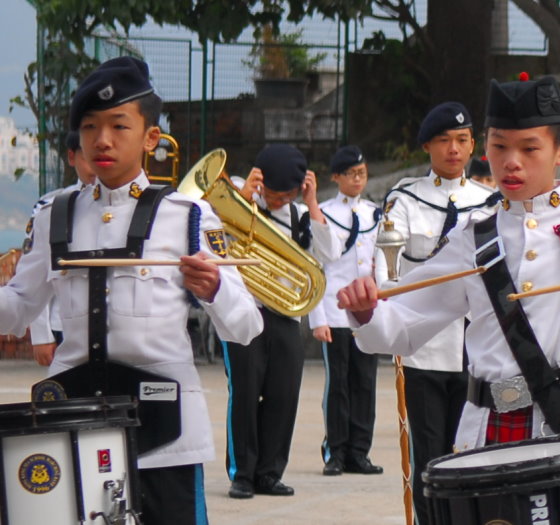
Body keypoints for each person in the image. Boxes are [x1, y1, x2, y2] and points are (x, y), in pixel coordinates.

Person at [339, 74, 560, 521]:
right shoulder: (473, 237)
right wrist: (368, 313)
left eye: (529, 148)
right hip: (487, 431)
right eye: (499, 147)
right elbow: (405, 325)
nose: (511, 163)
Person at [0, 56, 264, 523]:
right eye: (89, 127)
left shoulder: (188, 216)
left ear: (150, 138)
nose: (102, 140)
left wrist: (216, 287)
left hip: (166, 436)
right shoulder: (53, 216)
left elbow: (246, 326)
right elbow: (17, 309)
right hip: (71, 426)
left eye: (118, 126)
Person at [381, 101, 497, 522]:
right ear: (427, 145)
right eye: (445, 140)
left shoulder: (489, 200)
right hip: (425, 347)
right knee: (430, 457)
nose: (454, 149)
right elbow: (388, 269)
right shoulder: (406, 198)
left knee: (469, 452)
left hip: (475, 349)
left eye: (463, 141)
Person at [223, 143, 334, 499]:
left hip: (285, 316)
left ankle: (269, 473)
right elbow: (215, 237)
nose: (277, 202)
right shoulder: (239, 196)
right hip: (245, 312)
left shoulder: (301, 214)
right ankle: (242, 473)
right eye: (273, 194)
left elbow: (327, 255)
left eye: (285, 196)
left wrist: (312, 203)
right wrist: (244, 199)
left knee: (283, 396)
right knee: (244, 393)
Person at [310, 145, 387, 477]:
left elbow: (380, 259)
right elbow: (317, 267)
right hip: (335, 310)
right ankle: (336, 452)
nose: (358, 179)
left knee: (365, 382)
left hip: (366, 311)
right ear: (336, 177)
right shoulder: (324, 213)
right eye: (352, 174)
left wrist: (384, 304)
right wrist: (317, 319)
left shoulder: (374, 213)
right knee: (338, 384)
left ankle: (359, 451)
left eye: (363, 173)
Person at [28, 130, 97, 366]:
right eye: (88, 156)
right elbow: (35, 279)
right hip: (65, 326)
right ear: (72, 157)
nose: (97, 165)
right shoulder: (53, 208)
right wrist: (41, 335)